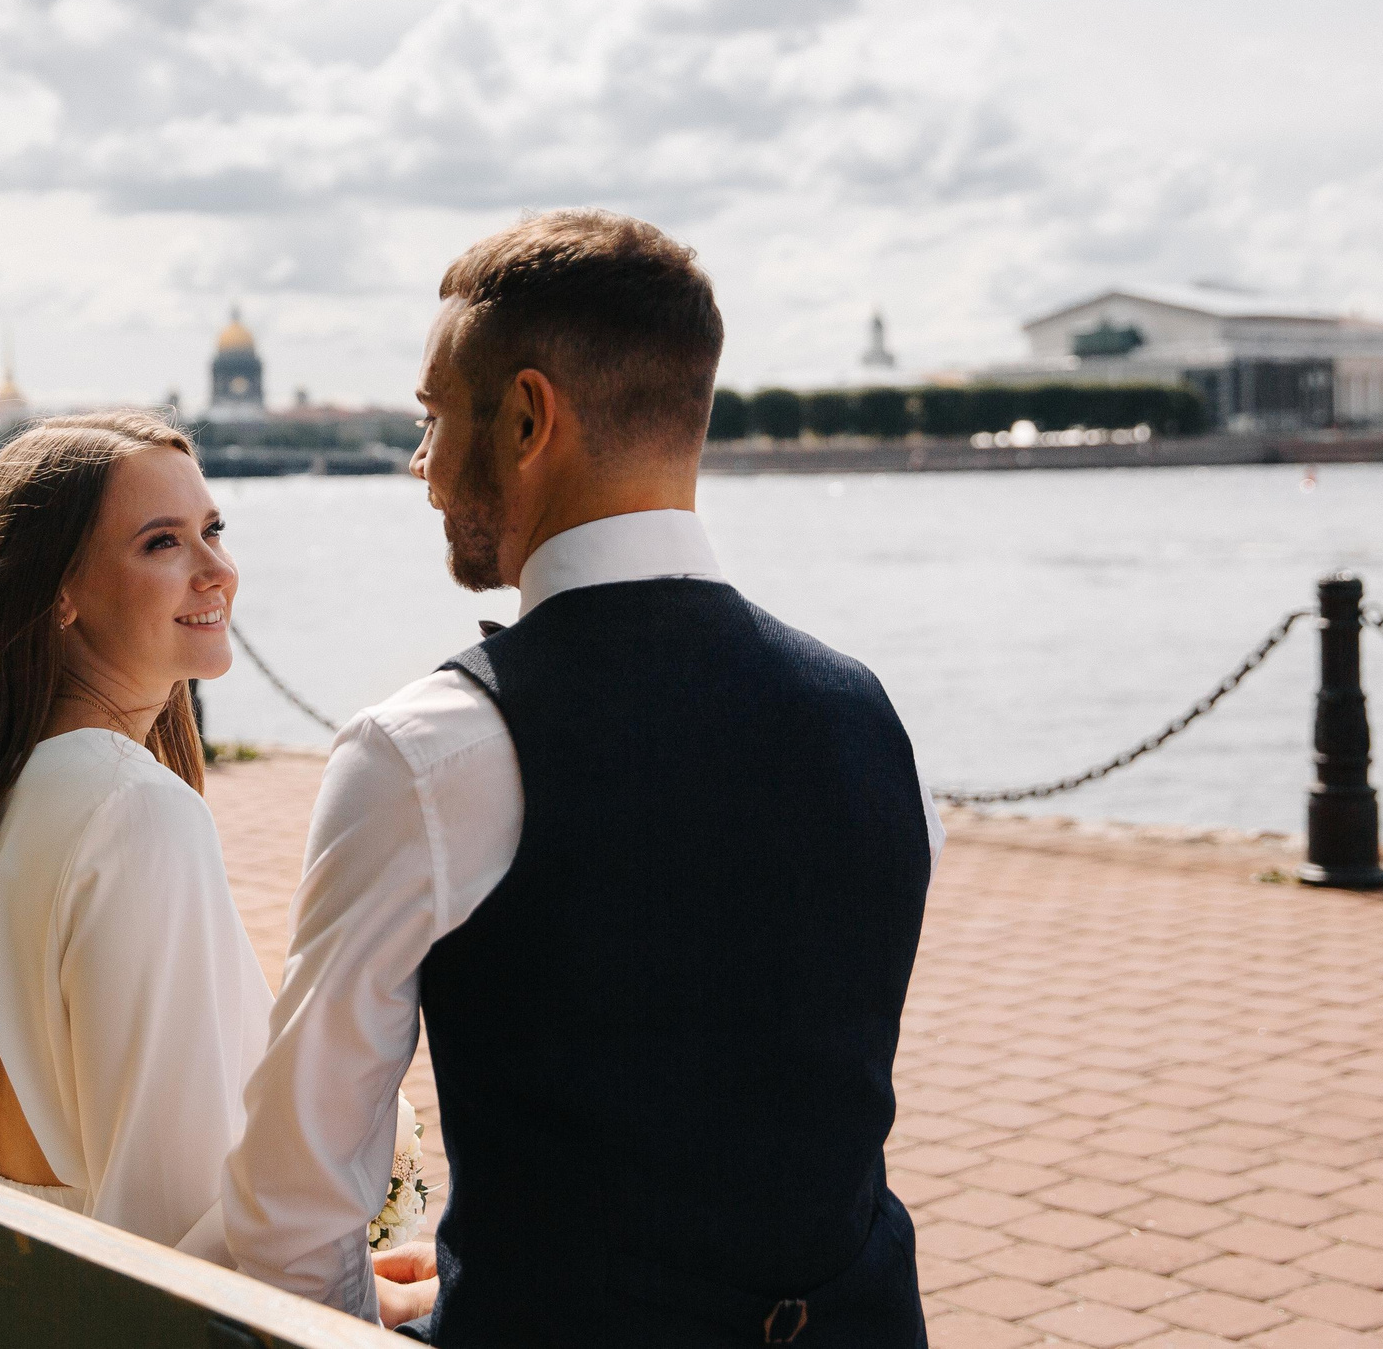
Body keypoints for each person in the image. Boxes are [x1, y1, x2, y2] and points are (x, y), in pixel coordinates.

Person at [223, 212, 946, 1345]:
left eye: (429, 417)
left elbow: (292, 1206)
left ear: (523, 418)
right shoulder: (870, 717)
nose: (419, 468)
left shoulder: (429, 753)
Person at [0, 412, 272, 1247]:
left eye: (212, 530)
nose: (217, 570)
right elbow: (172, 1221)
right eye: (162, 543)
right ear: (60, 593)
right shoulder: (135, 813)